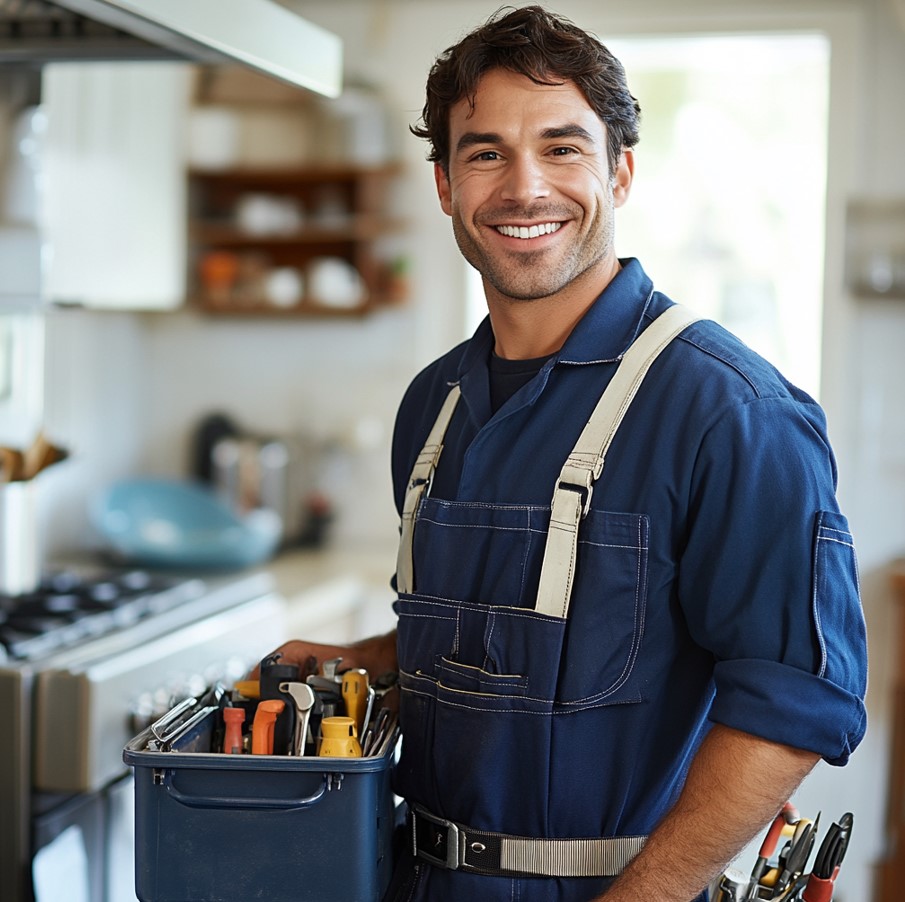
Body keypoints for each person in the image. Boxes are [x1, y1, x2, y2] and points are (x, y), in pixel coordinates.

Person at [266, 7, 867, 900]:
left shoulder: (731, 414)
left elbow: (790, 708)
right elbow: (510, 643)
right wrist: (362, 658)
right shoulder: (434, 406)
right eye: (484, 153)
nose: (523, 188)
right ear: (443, 184)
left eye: (561, 148)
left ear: (619, 172)